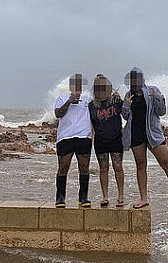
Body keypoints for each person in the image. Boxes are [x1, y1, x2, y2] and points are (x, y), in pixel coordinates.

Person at [122, 67, 168, 211]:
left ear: (142, 79)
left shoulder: (153, 90)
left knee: (167, 164)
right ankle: (143, 198)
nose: (134, 81)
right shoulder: (129, 95)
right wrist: (126, 105)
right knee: (141, 165)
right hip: (136, 134)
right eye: (132, 79)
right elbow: (126, 116)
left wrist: (158, 98)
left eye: (137, 78)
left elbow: (162, 112)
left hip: (153, 133)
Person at [53, 73, 92, 208]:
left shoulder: (88, 99)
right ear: (70, 86)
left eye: (79, 85)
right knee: (63, 167)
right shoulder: (61, 98)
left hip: (84, 137)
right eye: (75, 85)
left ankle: (83, 197)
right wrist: (69, 101)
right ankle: (60, 198)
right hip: (65, 137)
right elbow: (58, 114)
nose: (77, 88)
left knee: (84, 167)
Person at [88, 74, 125, 208]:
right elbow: (90, 124)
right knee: (103, 168)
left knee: (118, 167)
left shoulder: (115, 101)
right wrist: (89, 140)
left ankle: (121, 195)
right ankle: (105, 196)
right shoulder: (91, 106)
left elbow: (127, 113)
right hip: (100, 141)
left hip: (116, 138)